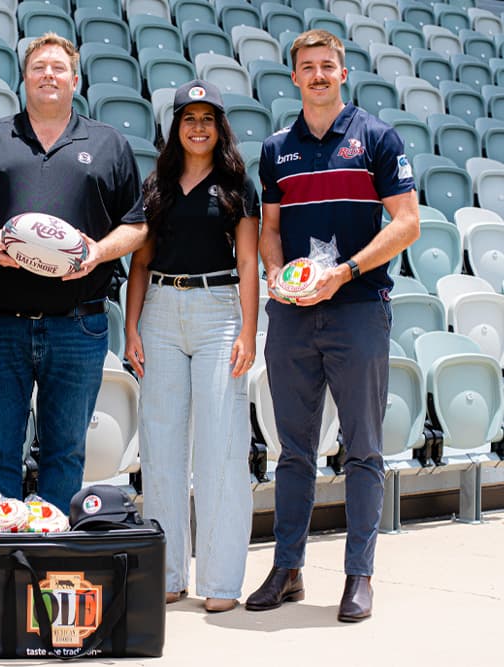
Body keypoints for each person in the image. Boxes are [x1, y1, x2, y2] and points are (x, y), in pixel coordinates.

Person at [245, 29, 420, 622]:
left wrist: (344, 272)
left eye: (328, 67)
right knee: (293, 452)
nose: (318, 76)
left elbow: (407, 224)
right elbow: (269, 228)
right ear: (293, 78)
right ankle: (287, 569)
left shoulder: (376, 138)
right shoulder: (276, 149)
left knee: (363, 450)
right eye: (307, 68)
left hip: (358, 310)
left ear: (343, 74)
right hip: (293, 316)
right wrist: (275, 272)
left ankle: (358, 576)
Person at [0, 33, 147, 511]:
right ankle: (1, 564)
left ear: (75, 79)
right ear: (24, 78)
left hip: (78, 324)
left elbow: (138, 225)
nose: (48, 75)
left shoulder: (109, 144)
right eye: (38, 67)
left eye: (58, 68)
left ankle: (54, 567)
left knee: (66, 454)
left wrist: (99, 252)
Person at [123, 80, 259, 613]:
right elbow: (139, 261)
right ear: (174, 126)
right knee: (160, 447)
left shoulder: (238, 185)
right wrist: (131, 327)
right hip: (158, 312)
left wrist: (249, 329)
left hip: (218, 312)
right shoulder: (155, 185)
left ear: (219, 126)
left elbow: (249, 262)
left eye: (207, 118)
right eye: (188, 117)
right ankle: (169, 573)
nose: (197, 126)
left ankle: (222, 583)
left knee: (221, 446)